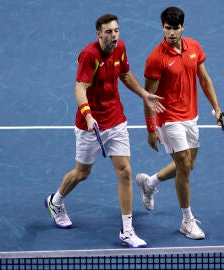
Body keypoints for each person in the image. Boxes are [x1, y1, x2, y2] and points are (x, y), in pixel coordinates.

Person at [45, 13, 165, 248]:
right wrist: (88, 114)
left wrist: (144, 94)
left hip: (116, 119)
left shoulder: (120, 48)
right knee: (82, 173)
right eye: (108, 32)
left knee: (126, 172)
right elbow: (80, 87)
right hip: (91, 125)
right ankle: (55, 201)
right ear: (98, 34)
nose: (113, 35)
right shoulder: (89, 55)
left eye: (116, 31)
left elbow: (126, 75)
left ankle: (127, 230)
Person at [136, 6, 223, 240]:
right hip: (169, 117)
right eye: (167, 28)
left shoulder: (194, 47)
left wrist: (217, 109)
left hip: (191, 116)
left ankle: (150, 182)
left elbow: (204, 79)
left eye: (175, 28)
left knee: (188, 165)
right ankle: (187, 220)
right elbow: (149, 96)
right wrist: (151, 128)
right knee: (184, 165)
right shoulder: (156, 58)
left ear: (182, 27)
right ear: (162, 27)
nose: (171, 33)